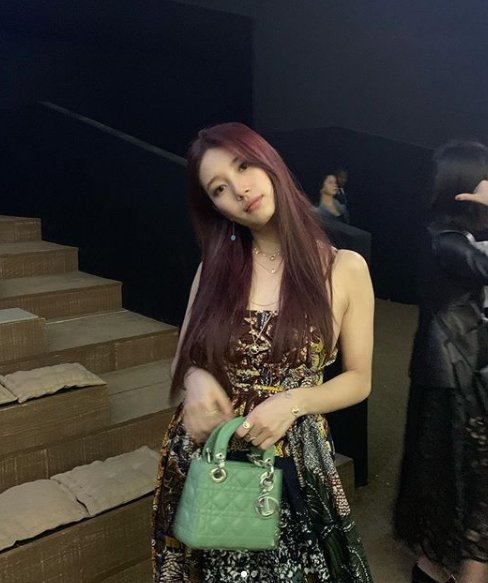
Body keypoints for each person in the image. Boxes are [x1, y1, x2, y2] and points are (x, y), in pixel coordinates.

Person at [152, 122, 374, 583]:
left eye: (243, 166)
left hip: (291, 457)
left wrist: (292, 402)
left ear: (268, 161)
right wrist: (195, 379)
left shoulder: (344, 268)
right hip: (208, 458)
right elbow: (183, 360)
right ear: (214, 207)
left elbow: (359, 378)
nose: (240, 190)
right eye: (219, 189)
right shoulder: (213, 271)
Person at [393, 141, 488, 583]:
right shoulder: (444, 241)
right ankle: (438, 567)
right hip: (455, 378)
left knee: (462, 480)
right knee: (460, 478)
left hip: (464, 370)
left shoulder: (455, 238)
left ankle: (441, 565)